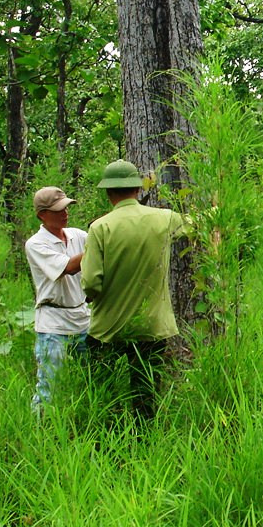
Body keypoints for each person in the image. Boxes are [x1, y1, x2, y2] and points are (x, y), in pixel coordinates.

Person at [80, 159, 189, 419]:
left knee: (102, 389)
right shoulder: (165, 219)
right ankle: (145, 439)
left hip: (109, 327)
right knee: (146, 392)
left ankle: (106, 435)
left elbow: (92, 282)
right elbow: (197, 225)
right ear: (138, 190)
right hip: (152, 326)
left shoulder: (100, 227)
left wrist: (92, 297)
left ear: (108, 193)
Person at [24, 186, 90, 411]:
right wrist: (100, 244)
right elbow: (69, 267)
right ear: (42, 215)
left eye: (66, 208)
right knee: (50, 385)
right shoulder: (35, 244)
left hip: (82, 319)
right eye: (58, 210)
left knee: (91, 377)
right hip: (53, 323)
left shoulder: (78, 236)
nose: (65, 213)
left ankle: (85, 419)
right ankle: (43, 429)